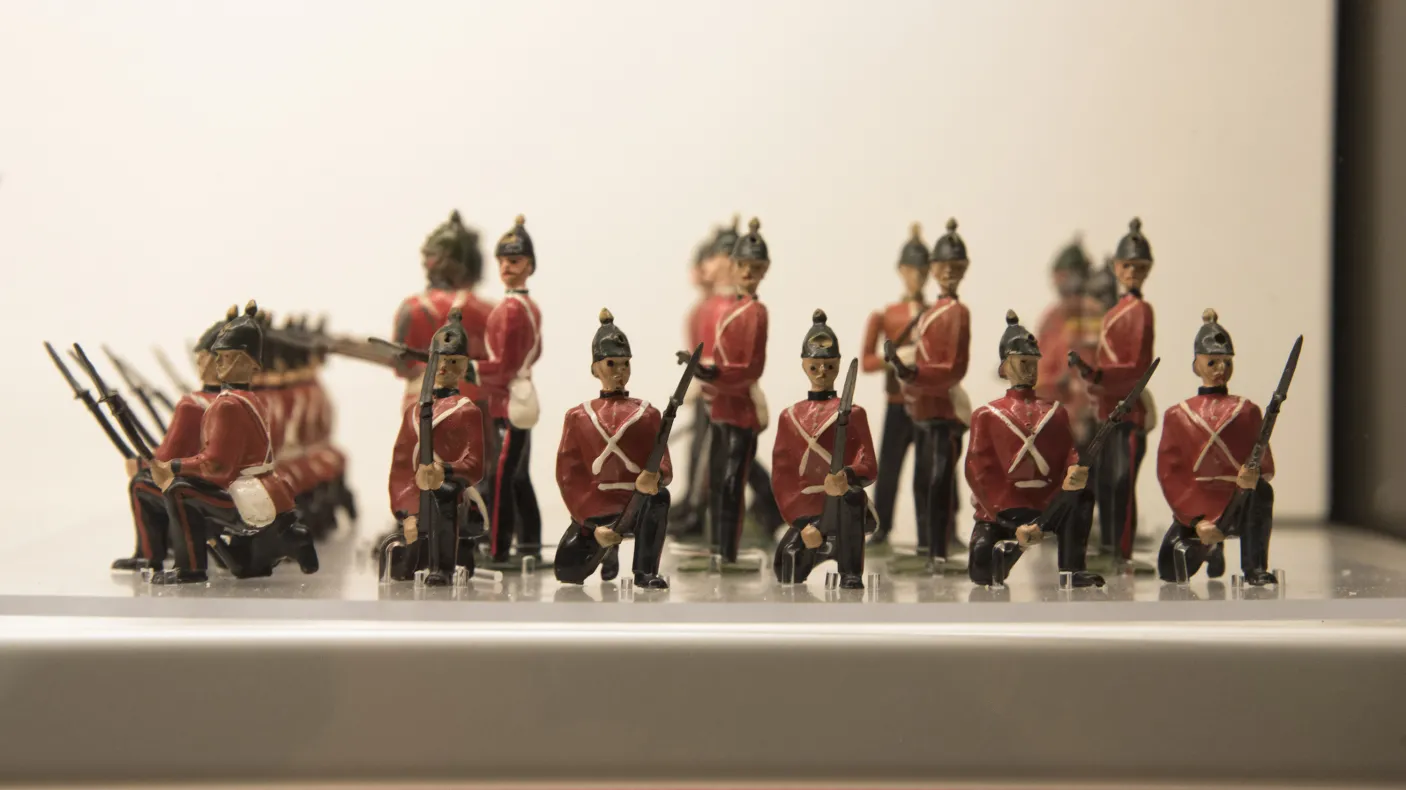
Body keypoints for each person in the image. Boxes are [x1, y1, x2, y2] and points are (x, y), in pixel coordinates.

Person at [148, 302, 317, 584]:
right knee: (242, 567)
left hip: (247, 491)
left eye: (226, 357)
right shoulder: (252, 399)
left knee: (179, 491)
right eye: (220, 357)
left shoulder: (226, 405)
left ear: (245, 362)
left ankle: (189, 568)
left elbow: (218, 465)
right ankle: (275, 545)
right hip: (269, 487)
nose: (219, 363)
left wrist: (174, 466)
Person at [965, 311, 1100, 588]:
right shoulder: (986, 415)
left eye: (1032, 363)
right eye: (1022, 362)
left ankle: (1073, 569)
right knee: (982, 569)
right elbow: (979, 473)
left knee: (1081, 497)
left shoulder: (1056, 412)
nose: (1029, 369)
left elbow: (1067, 451)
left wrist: (1075, 468)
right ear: (1004, 369)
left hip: (1048, 502)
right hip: (1004, 509)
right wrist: (1011, 524)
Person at [1155, 309, 1277, 586]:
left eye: (1226, 362)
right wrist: (1196, 520)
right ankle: (1210, 550)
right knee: (1171, 571)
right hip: (1197, 503)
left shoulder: (1247, 411)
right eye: (1213, 362)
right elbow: (1169, 474)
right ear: (1196, 365)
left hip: (1238, 499)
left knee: (1262, 493)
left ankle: (1254, 567)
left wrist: (1255, 476)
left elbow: (1265, 460)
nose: (1220, 369)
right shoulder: (1178, 414)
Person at [553, 310, 673, 588]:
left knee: (660, 499)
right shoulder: (578, 416)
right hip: (596, 503)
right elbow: (568, 475)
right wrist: (592, 526)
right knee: (568, 572)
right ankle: (606, 554)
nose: (620, 372)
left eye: (625, 364)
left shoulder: (648, 413)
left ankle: (645, 571)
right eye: (611, 364)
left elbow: (663, 459)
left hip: (637, 499)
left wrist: (655, 476)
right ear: (595, 368)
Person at [117, 310, 229, 571]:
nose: (199, 365)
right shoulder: (246, 399)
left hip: (207, 482)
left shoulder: (192, 405)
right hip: (230, 478)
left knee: (140, 485)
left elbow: (167, 457)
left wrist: (143, 466)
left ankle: (149, 554)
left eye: (202, 359)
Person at [772, 311, 877, 589]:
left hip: (842, 507)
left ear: (838, 366)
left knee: (853, 498)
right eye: (815, 367)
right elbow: (783, 477)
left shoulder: (854, 413)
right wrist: (803, 523)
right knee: (787, 567)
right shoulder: (790, 416)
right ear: (804, 365)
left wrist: (848, 478)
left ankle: (851, 570)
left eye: (829, 367)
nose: (822, 373)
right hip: (808, 510)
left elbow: (868, 463)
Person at [387, 310, 487, 585]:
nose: (444, 368)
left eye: (453, 361)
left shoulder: (468, 411)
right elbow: (401, 467)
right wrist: (406, 512)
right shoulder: (414, 411)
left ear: (464, 365)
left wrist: (446, 471)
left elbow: (475, 464)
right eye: (439, 361)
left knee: (443, 496)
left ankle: (442, 567)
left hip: (452, 490)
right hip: (417, 493)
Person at [892, 218, 971, 564]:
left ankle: (939, 549)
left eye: (955, 268)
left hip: (943, 413)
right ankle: (927, 547)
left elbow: (952, 368)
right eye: (943, 267)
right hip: (923, 410)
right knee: (922, 482)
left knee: (940, 483)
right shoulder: (932, 311)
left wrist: (914, 373)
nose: (948, 273)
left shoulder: (957, 312)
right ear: (933, 269)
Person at [467, 215, 544, 568]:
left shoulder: (512, 310)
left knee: (500, 477)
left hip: (509, 399)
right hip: (515, 395)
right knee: (517, 475)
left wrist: (467, 368)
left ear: (529, 265)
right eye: (502, 260)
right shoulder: (524, 306)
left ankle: (499, 548)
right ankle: (528, 542)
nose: (506, 267)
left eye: (513, 261)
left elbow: (502, 368)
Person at [1078, 218, 1157, 561]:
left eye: (1139, 266)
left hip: (1127, 411)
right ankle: (1109, 544)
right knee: (1107, 482)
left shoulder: (1141, 310)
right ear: (1116, 268)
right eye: (1127, 266)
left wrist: (1097, 376)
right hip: (1107, 410)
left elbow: (1135, 368)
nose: (1133, 272)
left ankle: (1121, 550)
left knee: (1123, 483)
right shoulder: (1117, 311)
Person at [695, 218, 770, 567]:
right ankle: (717, 548)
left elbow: (749, 369)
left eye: (755, 268)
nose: (748, 273)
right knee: (716, 482)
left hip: (739, 409)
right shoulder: (730, 308)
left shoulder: (755, 312)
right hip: (721, 406)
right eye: (744, 266)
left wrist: (713, 374)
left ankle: (728, 551)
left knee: (731, 481)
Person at [860, 223, 928, 546]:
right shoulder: (888, 315)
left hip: (928, 403)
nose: (917, 276)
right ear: (902, 271)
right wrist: (895, 358)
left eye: (922, 270)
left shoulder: (936, 313)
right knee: (888, 469)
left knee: (931, 473)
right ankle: (881, 526)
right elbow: (867, 360)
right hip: (898, 402)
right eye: (912, 270)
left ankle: (934, 533)